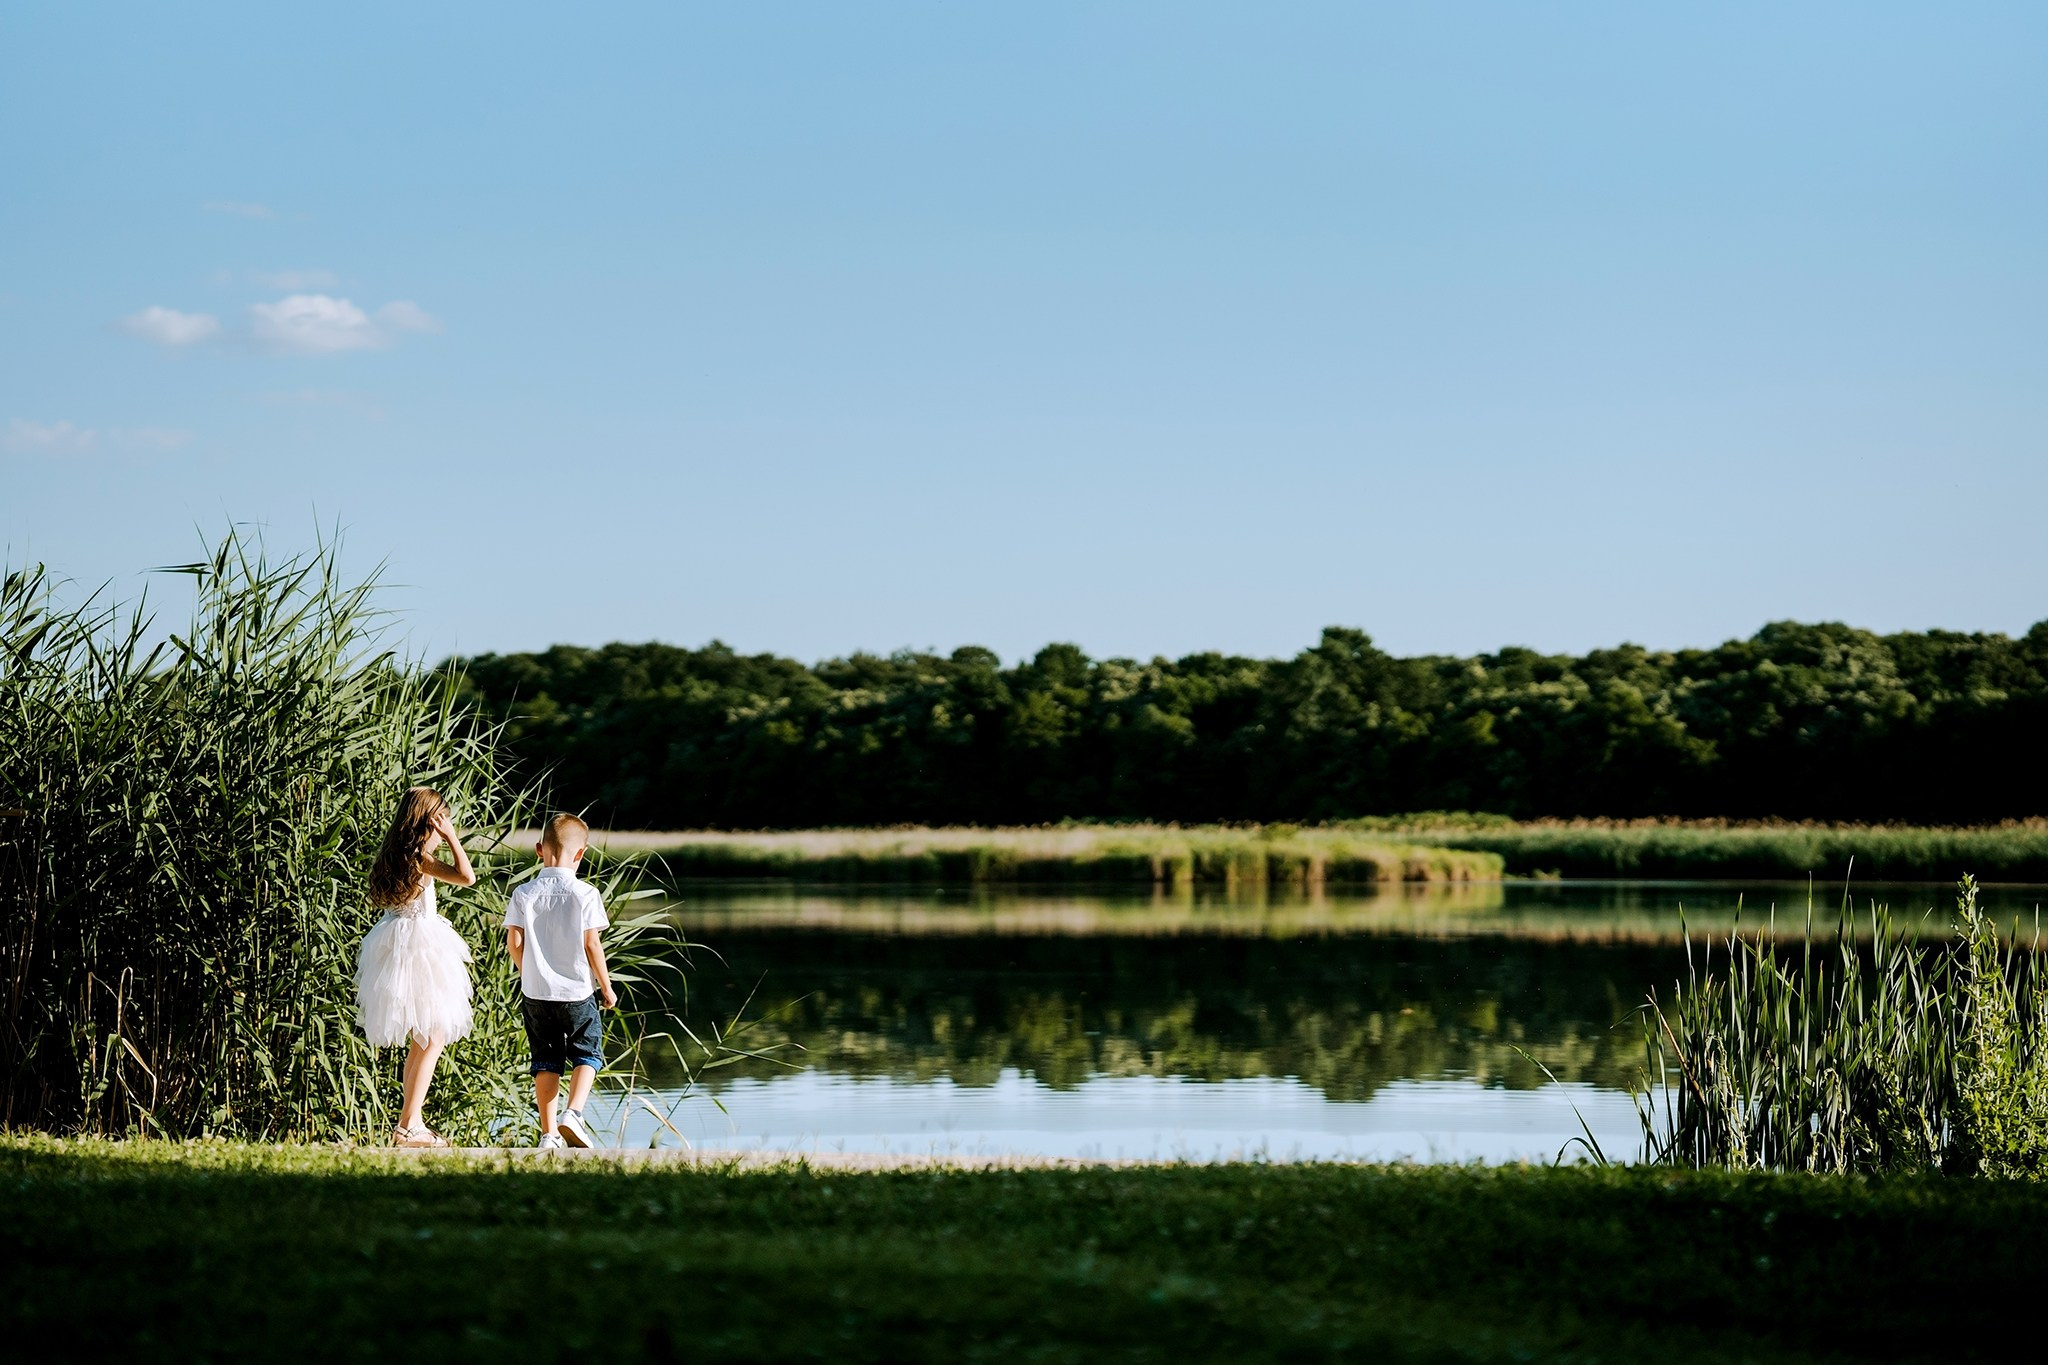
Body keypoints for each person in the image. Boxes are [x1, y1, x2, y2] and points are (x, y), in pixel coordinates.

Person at [357, 786, 477, 1148]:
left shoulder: (395, 854)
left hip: (396, 942)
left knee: (423, 1039)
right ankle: (410, 1124)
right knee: (433, 1036)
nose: (449, 823)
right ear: (431, 821)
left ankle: (410, 1122)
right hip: (421, 948)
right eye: (444, 818)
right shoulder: (420, 857)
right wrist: (453, 839)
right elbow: (467, 877)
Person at [504, 813, 615, 1149]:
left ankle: (548, 1134)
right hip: (576, 992)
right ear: (580, 854)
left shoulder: (523, 892)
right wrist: (606, 987)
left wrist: (530, 974)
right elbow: (591, 943)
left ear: (540, 849)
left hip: (535, 993)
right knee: (588, 1053)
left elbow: (514, 942)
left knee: (546, 1060)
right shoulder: (585, 893)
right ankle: (574, 1114)